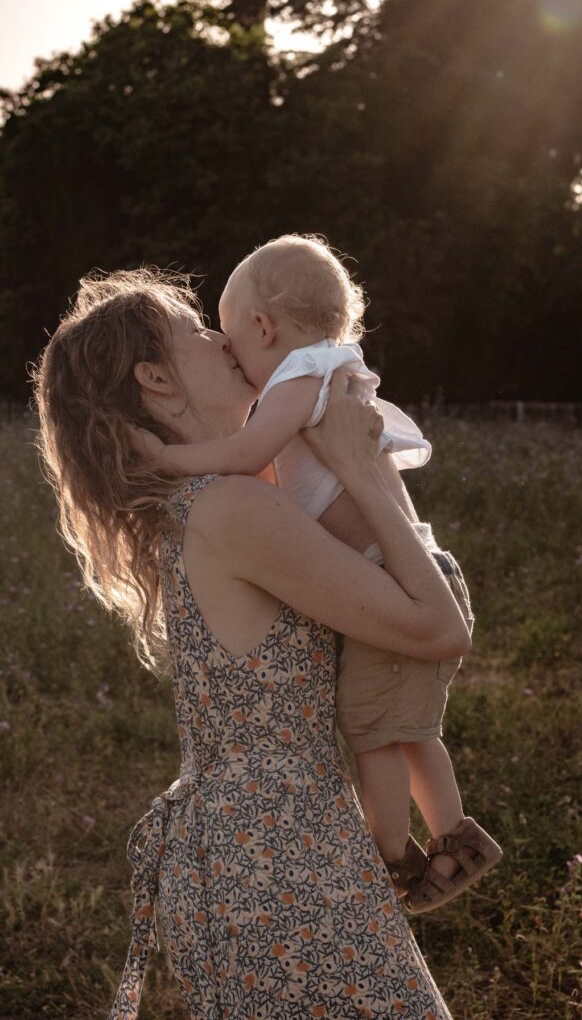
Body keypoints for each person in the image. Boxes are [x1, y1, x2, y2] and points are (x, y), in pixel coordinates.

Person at [32, 267, 471, 1020]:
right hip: (277, 853)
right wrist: (363, 468)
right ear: (157, 380)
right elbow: (439, 628)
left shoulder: (212, 498)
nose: (222, 338)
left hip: (256, 847)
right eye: (196, 331)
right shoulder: (231, 504)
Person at [131, 235, 502, 914]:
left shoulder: (298, 379)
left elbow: (247, 455)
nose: (224, 346)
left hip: (391, 573)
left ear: (262, 328)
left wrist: (165, 458)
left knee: (373, 733)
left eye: (227, 333)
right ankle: (455, 835)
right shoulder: (330, 371)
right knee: (411, 728)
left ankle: (389, 860)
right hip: (416, 566)